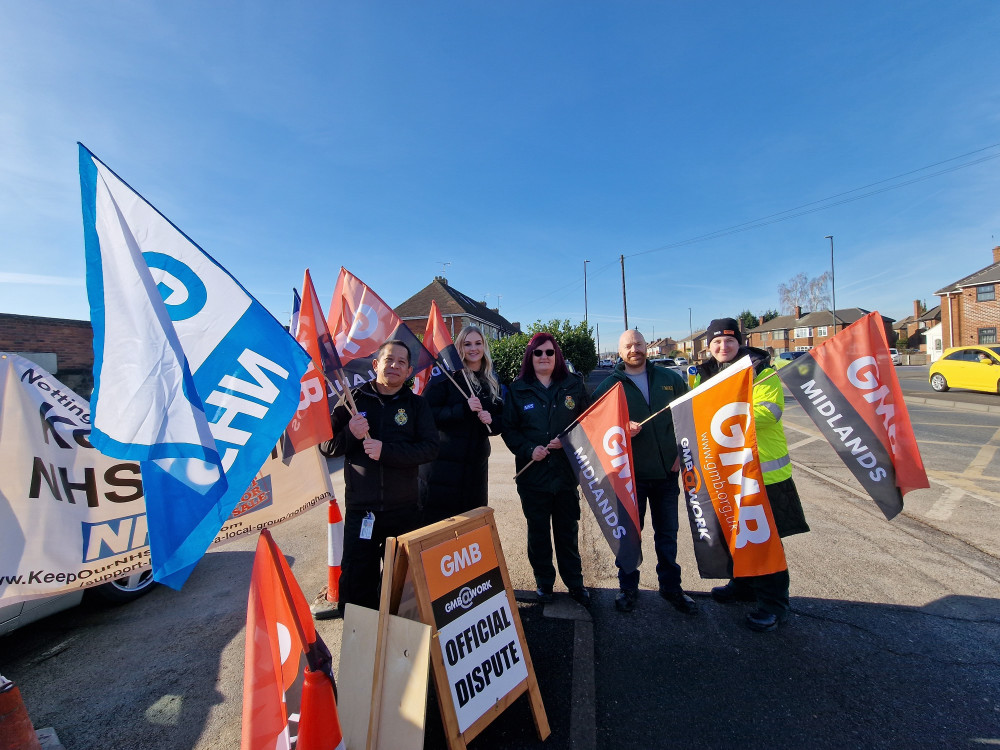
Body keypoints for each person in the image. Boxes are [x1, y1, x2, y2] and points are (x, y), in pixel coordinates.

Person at [695, 318, 810, 632]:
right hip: (727, 471)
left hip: (764, 474)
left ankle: (774, 605)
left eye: (729, 341)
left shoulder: (762, 371)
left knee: (765, 540)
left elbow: (769, 412)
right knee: (737, 534)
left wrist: (723, 412)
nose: (723, 347)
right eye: (716, 342)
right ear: (708, 345)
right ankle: (742, 586)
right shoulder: (703, 375)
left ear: (739, 342)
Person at [328, 339, 439, 612]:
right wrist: (350, 434)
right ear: (376, 364)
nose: (395, 366)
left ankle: (398, 644)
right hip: (361, 510)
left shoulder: (416, 406)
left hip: (404, 511)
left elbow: (429, 449)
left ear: (409, 370)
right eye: (389, 360)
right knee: (357, 585)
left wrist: (386, 451)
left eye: (401, 362)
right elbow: (327, 447)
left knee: (402, 586)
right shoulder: (353, 399)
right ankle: (360, 642)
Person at [593, 330, 696, 615]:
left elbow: (689, 417)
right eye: (628, 345)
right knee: (629, 537)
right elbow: (595, 425)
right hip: (629, 479)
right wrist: (621, 430)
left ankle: (671, 587)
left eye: (638, 344)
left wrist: (679, 457)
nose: (634, 349)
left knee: (667, 535)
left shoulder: (670, 379)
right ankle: (627, 588)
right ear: (620, 350)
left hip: (666, 475)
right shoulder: (609, 387)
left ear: (645, 347)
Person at [502, 332, 592, 607]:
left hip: (565, 476)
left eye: (549, 352)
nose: (544, 357)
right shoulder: (518, 390)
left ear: (557, 356)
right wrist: (530, 449)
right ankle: (544, 582)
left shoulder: (573, 385)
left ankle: (575, 583)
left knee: (567, 531)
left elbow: (589, 423)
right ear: (530, 357)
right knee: (538, 532)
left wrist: (568, 443)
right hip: (533, 477)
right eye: (538, 353)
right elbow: (509, 430)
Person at [420, 325, 504, 525]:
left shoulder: (492, 379)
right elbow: (427, 413)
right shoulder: (446, 376)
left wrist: (492, 421)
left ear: (484, 346)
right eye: (467, 344)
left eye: (478, 343)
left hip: (475, 467)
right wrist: (462, 409)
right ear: (460, 347)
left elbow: (501, 421)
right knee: (441, 527)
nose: (473, 349)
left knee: (471, 526)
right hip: (443, 466)